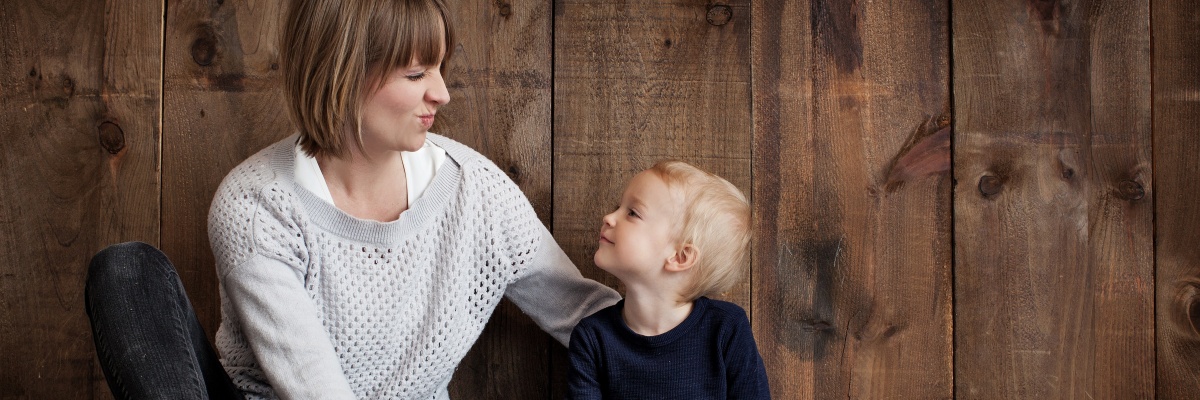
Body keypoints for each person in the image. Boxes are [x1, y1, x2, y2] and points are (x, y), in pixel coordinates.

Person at [84, 0, 621, 398]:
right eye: (416, 74)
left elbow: (584, 315)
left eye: (439, 69)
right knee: (125, 272)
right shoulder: (255, 204)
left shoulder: (475, 191)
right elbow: (313, 386)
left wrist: (701, 335)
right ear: (342, 74)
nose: (442, 93)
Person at [566, 161, 771, 399]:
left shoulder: (726, 329)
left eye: (633, 212)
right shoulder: (592, 337)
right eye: (619, 207)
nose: (609, 217)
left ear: (680, 257)